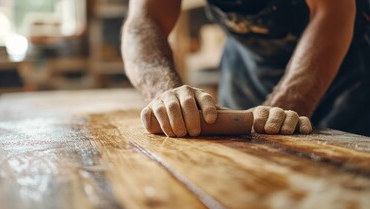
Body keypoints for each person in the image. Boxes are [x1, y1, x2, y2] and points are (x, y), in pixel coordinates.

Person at [121, 0, 370, 137]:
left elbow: (333, 13)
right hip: (248, 64)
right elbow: (144, 20)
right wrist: (166, 93)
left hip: (342, 63)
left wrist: (281, 111)